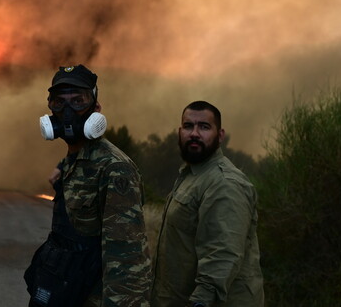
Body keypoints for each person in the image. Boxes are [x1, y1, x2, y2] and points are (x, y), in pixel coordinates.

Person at [25, 64, 152, 307]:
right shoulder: (74, 160)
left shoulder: (114, 168)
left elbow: (127, 259)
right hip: (67, 290)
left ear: (96, 109)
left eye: (78, 101)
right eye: (59, 102)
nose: (68, 111)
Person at [151, 101, 264, 307]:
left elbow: (222, 256)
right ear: (179, 132)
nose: (194, 133)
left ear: (220, 136)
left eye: (204, 127)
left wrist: (200, 303)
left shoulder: (224, 184)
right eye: (188, 126)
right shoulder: (193, 175)